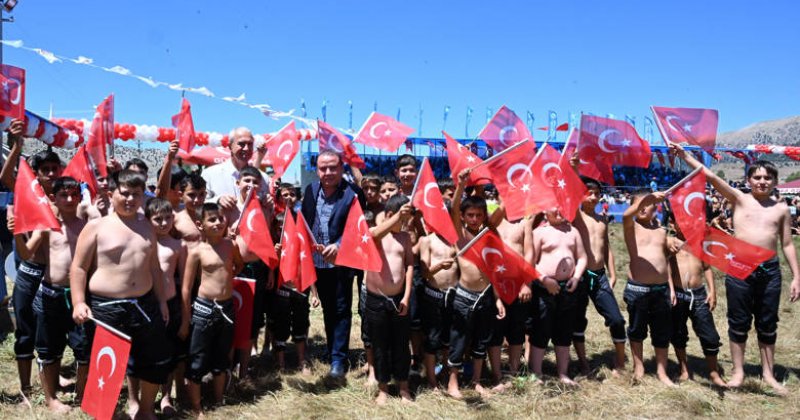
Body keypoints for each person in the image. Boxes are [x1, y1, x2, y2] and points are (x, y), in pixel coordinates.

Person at [673, 143, 800, 393]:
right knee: (738, 322)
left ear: (775, 181)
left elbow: (787, 243)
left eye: (767, 178)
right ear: (749, 179)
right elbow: (708, 175)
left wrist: (796, 276)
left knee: (767, 324)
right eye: (757, 177)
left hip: (770, 271)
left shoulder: (781, 209)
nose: (762, 181)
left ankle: (768, 374)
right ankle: (738, 372)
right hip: (740, 268)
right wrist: (684, 156)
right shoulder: (739, 199)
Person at [71, 170, 173, 420]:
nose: (129, 199)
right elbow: (79, 267)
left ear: (142, 197)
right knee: (106, 365)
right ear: (111, 193)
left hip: (145, 303)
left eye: (135, 194)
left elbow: (154, 268)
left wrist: (161, 301)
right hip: (107, 307)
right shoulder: (96, 226)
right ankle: (104, 414)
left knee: (154, 360)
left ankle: (146, 411)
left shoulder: (147, 225)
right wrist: (78, 301)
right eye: (124, 193)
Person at [13, 177, 89, 413]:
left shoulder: (87, 226)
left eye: (74, 194)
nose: (69, 199)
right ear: (53, 198)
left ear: (80, 197)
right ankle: (51, 398)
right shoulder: (46, 226)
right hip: (50, 295)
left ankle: (83, 395)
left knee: (84, 349)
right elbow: (26, 255)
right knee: (49, 350)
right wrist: (17, 233)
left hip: (81, 297)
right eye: (63, 195)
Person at [0, 121, 63, 402]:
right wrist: (17, 146)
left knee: (53, 331)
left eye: (54, 169)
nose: (51, 174)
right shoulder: (30, 196)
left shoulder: (67, 196)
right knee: (25, 331)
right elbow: (7, 177)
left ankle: (54, 378)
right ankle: (26, 388)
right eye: (45, 170)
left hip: (56, 275)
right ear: (36, 174)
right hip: (30, 271)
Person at [301, 149, 365, 378]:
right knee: (328, 310)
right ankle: (333, 351)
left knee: (340, 309)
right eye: (322, 168)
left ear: (341, 168)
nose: (327, 172)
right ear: (317, 169)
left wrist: (339, 245)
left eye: (332, 167)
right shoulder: (310, 190)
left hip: (341, 263)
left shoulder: (352, 194)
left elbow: (359, 228)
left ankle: (339, 360)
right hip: (316, 263)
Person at [446, 169, 505, 399]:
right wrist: (460, 185)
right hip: (464, 296)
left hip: (486, 295)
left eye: (478, 215)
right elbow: (453, 209)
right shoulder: (460, 236)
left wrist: (499, 299)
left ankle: (477, 381)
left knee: (482, 339)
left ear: (483, 216)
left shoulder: (489, 236)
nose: (474, 219)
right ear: (463, 216)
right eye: (469, 215)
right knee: (459, 340)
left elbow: (494, 271)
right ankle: (453, 382)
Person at [180, 203, 243, 415]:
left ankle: (218, 401)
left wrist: (228, 279)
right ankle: (197, 408)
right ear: (200, 224)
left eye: (220, 219)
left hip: (226, 308)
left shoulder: (230, 245)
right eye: (212, 220)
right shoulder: (197, 252)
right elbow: (187, 288)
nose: (218, 223)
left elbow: (239, 264)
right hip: (204, 310)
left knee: (221, 357)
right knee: (197, 359)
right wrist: (185, 319)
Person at [570, 176, 626, 375]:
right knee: (577, 320)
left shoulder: (602, 220)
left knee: (616, 319)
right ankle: (583, 362)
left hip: (600, 275)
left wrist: (613, 273)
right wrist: (574, 169)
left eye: (596, 193)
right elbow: (569, 190)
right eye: (589, 193)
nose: (593, 197)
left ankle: (620, 361)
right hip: (580, 275)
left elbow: (606, 247)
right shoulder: (576, 217)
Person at [622, 192, 676, 386]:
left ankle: (662, 371)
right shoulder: (631, 226)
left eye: (650, 204)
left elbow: (665, 262)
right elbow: (627, 215)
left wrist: (670, 287)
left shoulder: (662, 230)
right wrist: (650, 197)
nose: (645, 208)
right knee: (637, 329)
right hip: (638, 289)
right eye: (640, 205)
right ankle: (639, 366)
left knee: (662, 331)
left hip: (661, 289)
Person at [364, 194, 414, 404]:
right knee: (380, 345)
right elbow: (374, 234)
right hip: (376, 300)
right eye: (402, 217)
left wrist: (407, 296)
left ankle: (403, 387)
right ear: (391, 215)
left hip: (398, 300)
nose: (404, 222)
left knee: (401, 344)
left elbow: (409, 265)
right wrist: (395, 218)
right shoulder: (376, 234)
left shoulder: (405, 237)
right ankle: (383, 388)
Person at [529, 209, 587, 386]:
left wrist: (576, 277)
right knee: (541, 329)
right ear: (545, 211)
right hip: (544, 288)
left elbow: (582, 257)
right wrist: (544, 280)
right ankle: (536, 372)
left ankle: (563, 373)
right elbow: (530, 262)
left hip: (568, 288)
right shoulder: (539, 232)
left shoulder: (573, 231)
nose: (560, 210)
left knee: (564, 331)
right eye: (554, 206)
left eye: (562, 206)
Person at [667, 215, 726, 387]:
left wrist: (712, 291)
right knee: (678, 333)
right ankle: (684, 368)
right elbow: (666, 269)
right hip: (678, 294)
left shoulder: (699, 243)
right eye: (680, 222)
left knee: (709, 335)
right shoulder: (670, 244)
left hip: (699, 294)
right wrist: (670, 289)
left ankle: (714, 372)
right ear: (672, 224)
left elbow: (707, 268)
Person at [145, 198, 188, 414]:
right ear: (148, 220)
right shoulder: (143, 242)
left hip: (170, 305)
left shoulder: (178, 246)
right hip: (146, 304)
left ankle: (166, 396)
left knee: (168, 352)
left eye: (168, 218)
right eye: (158, 219)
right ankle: (140, 399)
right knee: (145, 352)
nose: (163, 223)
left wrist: (184, 313)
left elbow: (183, 283)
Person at [488, 204, 533, 390]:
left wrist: (526, 283)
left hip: (518, 283)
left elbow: (529, 252)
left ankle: (514, 372)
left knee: (517, 330)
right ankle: (497, 375)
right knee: (496, 331)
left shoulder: (525, 221)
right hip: (496, 283)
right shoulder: (492, 220)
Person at [418, 213, 459, 389]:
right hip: (433, 295)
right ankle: (431, 380)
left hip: (454, 295)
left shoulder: (457, 241)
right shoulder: (427, 241)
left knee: (449, 339)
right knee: (432, 339)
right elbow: (425, 272)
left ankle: (445, 373)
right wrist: (439, 266)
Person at [201, 127, 270, 209]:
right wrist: (217, 201)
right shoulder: (210, 174)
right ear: (230, 146)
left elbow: (267, 211)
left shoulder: (264, 178)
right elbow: (199, 206)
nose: (246, 148)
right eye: (241, 144)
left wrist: (267, 202)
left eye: (250, 144)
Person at [173, 174, 207, 243]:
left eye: (201, 194)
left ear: (206, 194)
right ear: (180, 195)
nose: (197, 200)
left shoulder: (215, 216)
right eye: (191, 195)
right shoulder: (174, 220)